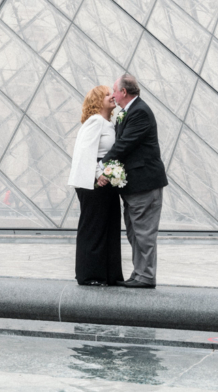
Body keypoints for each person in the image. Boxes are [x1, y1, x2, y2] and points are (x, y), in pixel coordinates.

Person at [98, 73, 167, 289]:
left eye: (115, 91)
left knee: (144, 232)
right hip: (134, 185)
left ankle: (146, 276)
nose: (113, 96)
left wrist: (103, 165)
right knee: (134, 231)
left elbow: (125, 144)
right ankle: (139, 273)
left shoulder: (140, 113)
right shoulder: (129, 112)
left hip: (144, 184)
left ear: (124, 92)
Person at [69, 85, 123, 287]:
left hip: (106, 182)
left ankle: (109, 275)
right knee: (94, 228)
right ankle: (89, 275)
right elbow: (84, 152)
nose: (112, 97)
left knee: (108, 226)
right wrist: (97, 174)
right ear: (97, 101)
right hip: (94, 183)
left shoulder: (107, 123)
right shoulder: (95, 121)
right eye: (108, 94)